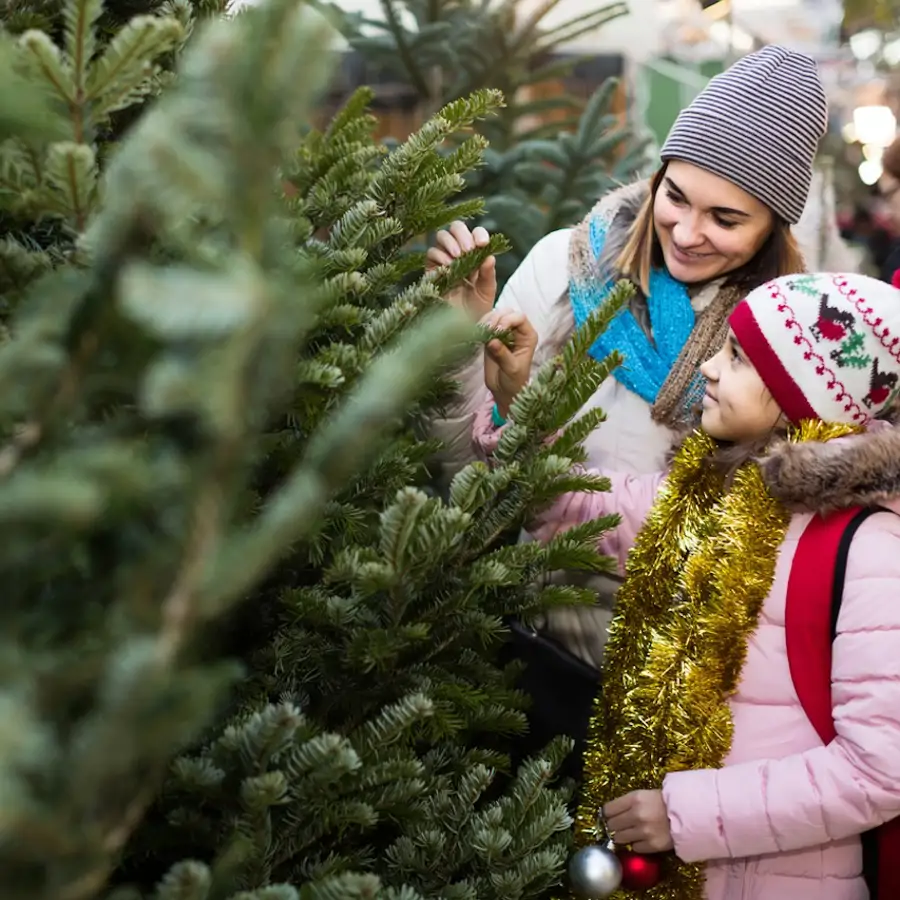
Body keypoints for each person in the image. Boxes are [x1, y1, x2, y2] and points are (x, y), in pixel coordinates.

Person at [475, 271, 900, 899]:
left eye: (736, 359)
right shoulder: (702, 494)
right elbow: (570, 506)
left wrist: (686, 814)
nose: (707, 367)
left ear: (800, 395)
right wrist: (520, 403)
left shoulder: (868, 549)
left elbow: (880, 770)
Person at [427, 46, 829, 676]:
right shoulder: (561, 267)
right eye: (676, 195)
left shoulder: (787, 342)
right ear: (659, 173)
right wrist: (458, 340)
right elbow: (460, 466)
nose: (688, 232)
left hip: (672, 684)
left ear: (772, 227)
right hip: (531, 646)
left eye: (725, 218)